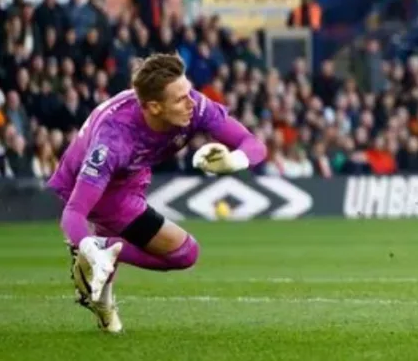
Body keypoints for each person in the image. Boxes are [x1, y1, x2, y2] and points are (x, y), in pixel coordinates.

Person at [46, 53, 268, 333]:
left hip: (133, 172)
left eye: (189, 92)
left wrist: (232, 161)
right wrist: (87, 247)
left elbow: (253, 144)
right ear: (154, 107)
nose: (192, 102)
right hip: (99, 185)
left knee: (157, 257)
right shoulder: (114, 139)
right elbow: (74, 211)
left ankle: (102, 276)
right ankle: (96, 251)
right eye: (180, 99)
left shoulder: (194, 106)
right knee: (185, 253)